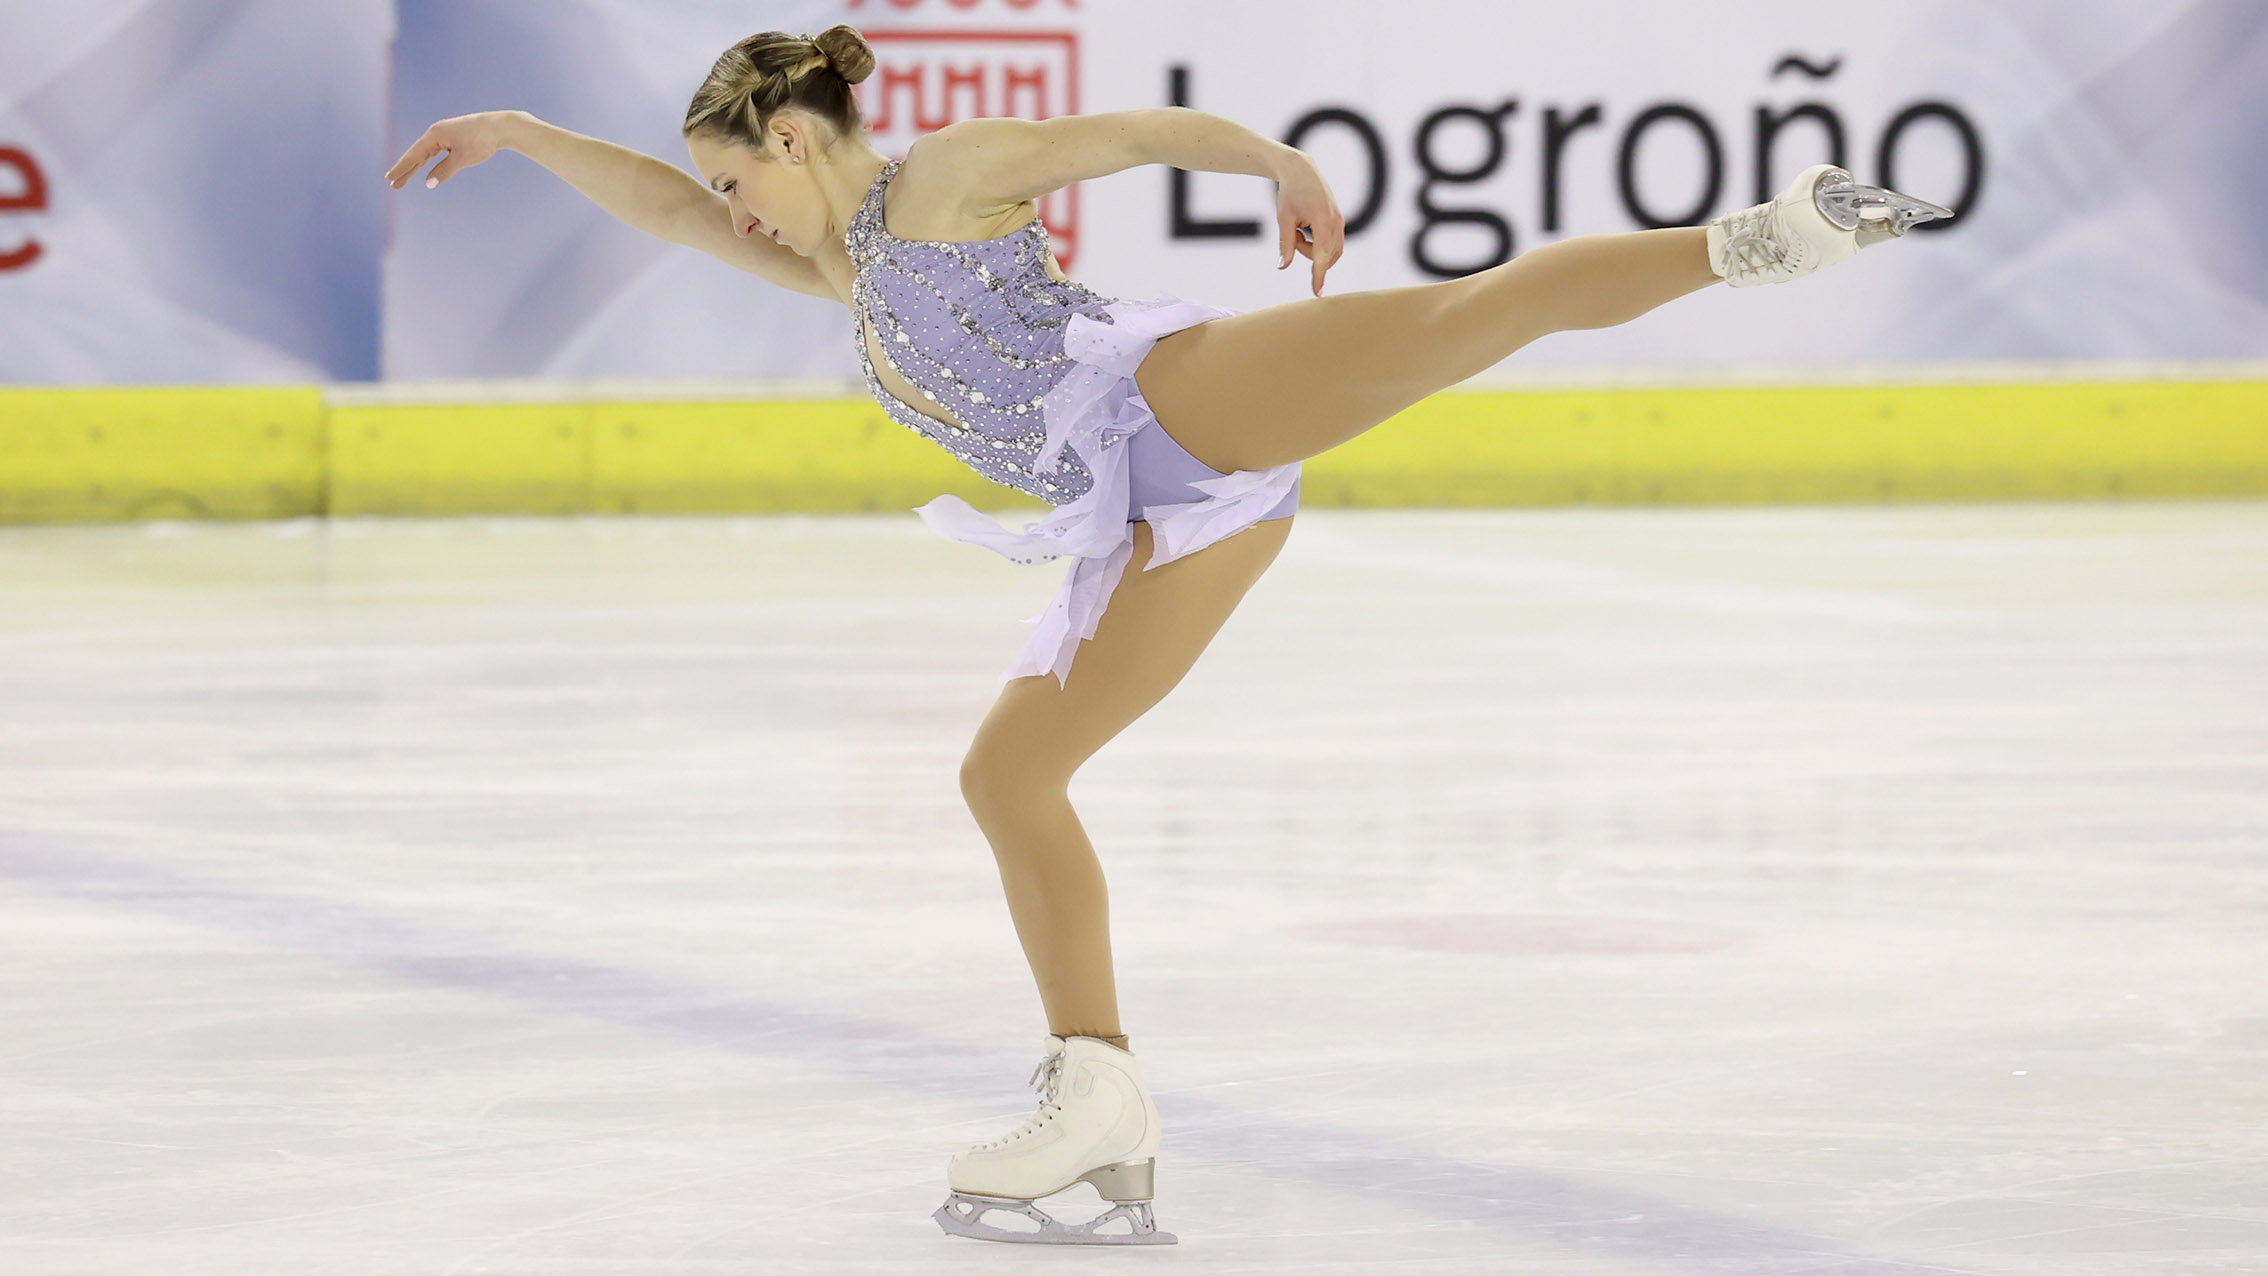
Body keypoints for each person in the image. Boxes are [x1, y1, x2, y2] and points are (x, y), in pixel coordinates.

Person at [384, 23, 1951, 1247]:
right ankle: (1099, 1096)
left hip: (1169, 401)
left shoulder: (941, 180)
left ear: (793, 137)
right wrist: (520, 136)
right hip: (1149, 518)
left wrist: (1272, 158)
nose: (734, 210)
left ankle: (1766, 238)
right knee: (1008, 781)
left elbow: (1131, 138)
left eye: (744, 179)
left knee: (1472, 314)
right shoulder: (836, 267)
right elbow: (661, 206)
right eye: (732, 193)